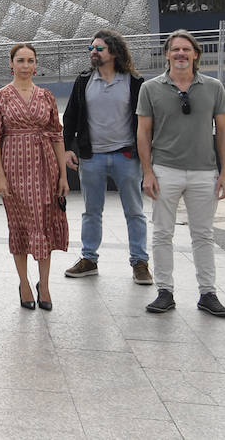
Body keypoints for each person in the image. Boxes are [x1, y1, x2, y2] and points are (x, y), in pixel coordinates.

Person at [139, 30, 225, 317]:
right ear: (167, 54)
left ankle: (208, 293)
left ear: (195, 55)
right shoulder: (150, 88)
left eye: (186, 49)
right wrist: (147, 172)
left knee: (203, 235)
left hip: (204, 172)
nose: (181, 54)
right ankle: (164, 292)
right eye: (175, 49)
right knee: (162, 233)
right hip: (164, 170)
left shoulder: (214, 87)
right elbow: (143, 133)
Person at [62, 30, 150, 285]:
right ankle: (89, 259)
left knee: (134, 211)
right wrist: (69, 148)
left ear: (113, 52)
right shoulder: (83, 81)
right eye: (91, 48)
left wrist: (145, 155)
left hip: (126, 156)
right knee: (91, 211)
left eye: (99, 48)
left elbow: (145, 122)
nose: (93, 52)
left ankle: (140, 263)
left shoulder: (134, 82)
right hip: (92, 158)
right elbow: (70, 118)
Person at [0, 44, 68, 311]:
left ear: (36, 65)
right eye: (20, 60)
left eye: (30, 60)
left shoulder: (46, 96)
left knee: (44, 223)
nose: (25, 65)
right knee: (20, 227)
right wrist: (0, 176)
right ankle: (24, 283)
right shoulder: (0, 96)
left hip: (45, 168)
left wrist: (63, 176)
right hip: (14, 168)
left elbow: (57, 135)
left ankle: (44, 285)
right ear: (11, 64)